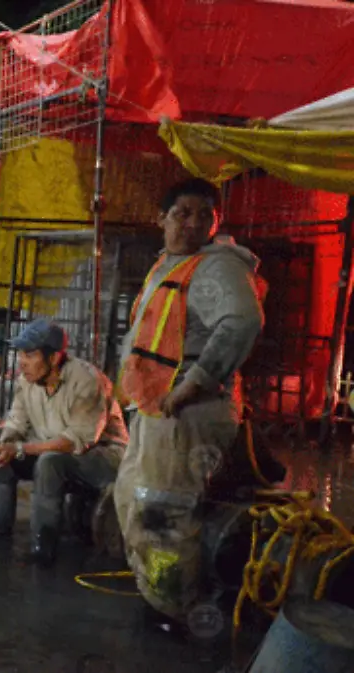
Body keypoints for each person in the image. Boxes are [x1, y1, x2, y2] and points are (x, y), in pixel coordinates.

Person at [113, 178, 266, 626]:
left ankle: (171, 609)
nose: (194, 223)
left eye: (205, 215)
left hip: (186, 415)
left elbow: (242, 322)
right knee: (132, 498)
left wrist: (193, 385)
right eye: (183, 213)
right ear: (161, 219)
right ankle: (155, 588)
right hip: (155, 411)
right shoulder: (171, 264)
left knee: (163, 515)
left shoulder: (216, 266)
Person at [0, 319, 129, 567]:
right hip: (51, 448)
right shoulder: (27, 380)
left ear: (54, 357)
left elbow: (75, 442)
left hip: (103, 458)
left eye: (30, 354)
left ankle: (43, 550)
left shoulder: (87, 380)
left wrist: (20, 449)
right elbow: (16, 424)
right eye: (20, 354)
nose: (22, 362)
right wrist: (3, 443)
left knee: (50, 464)